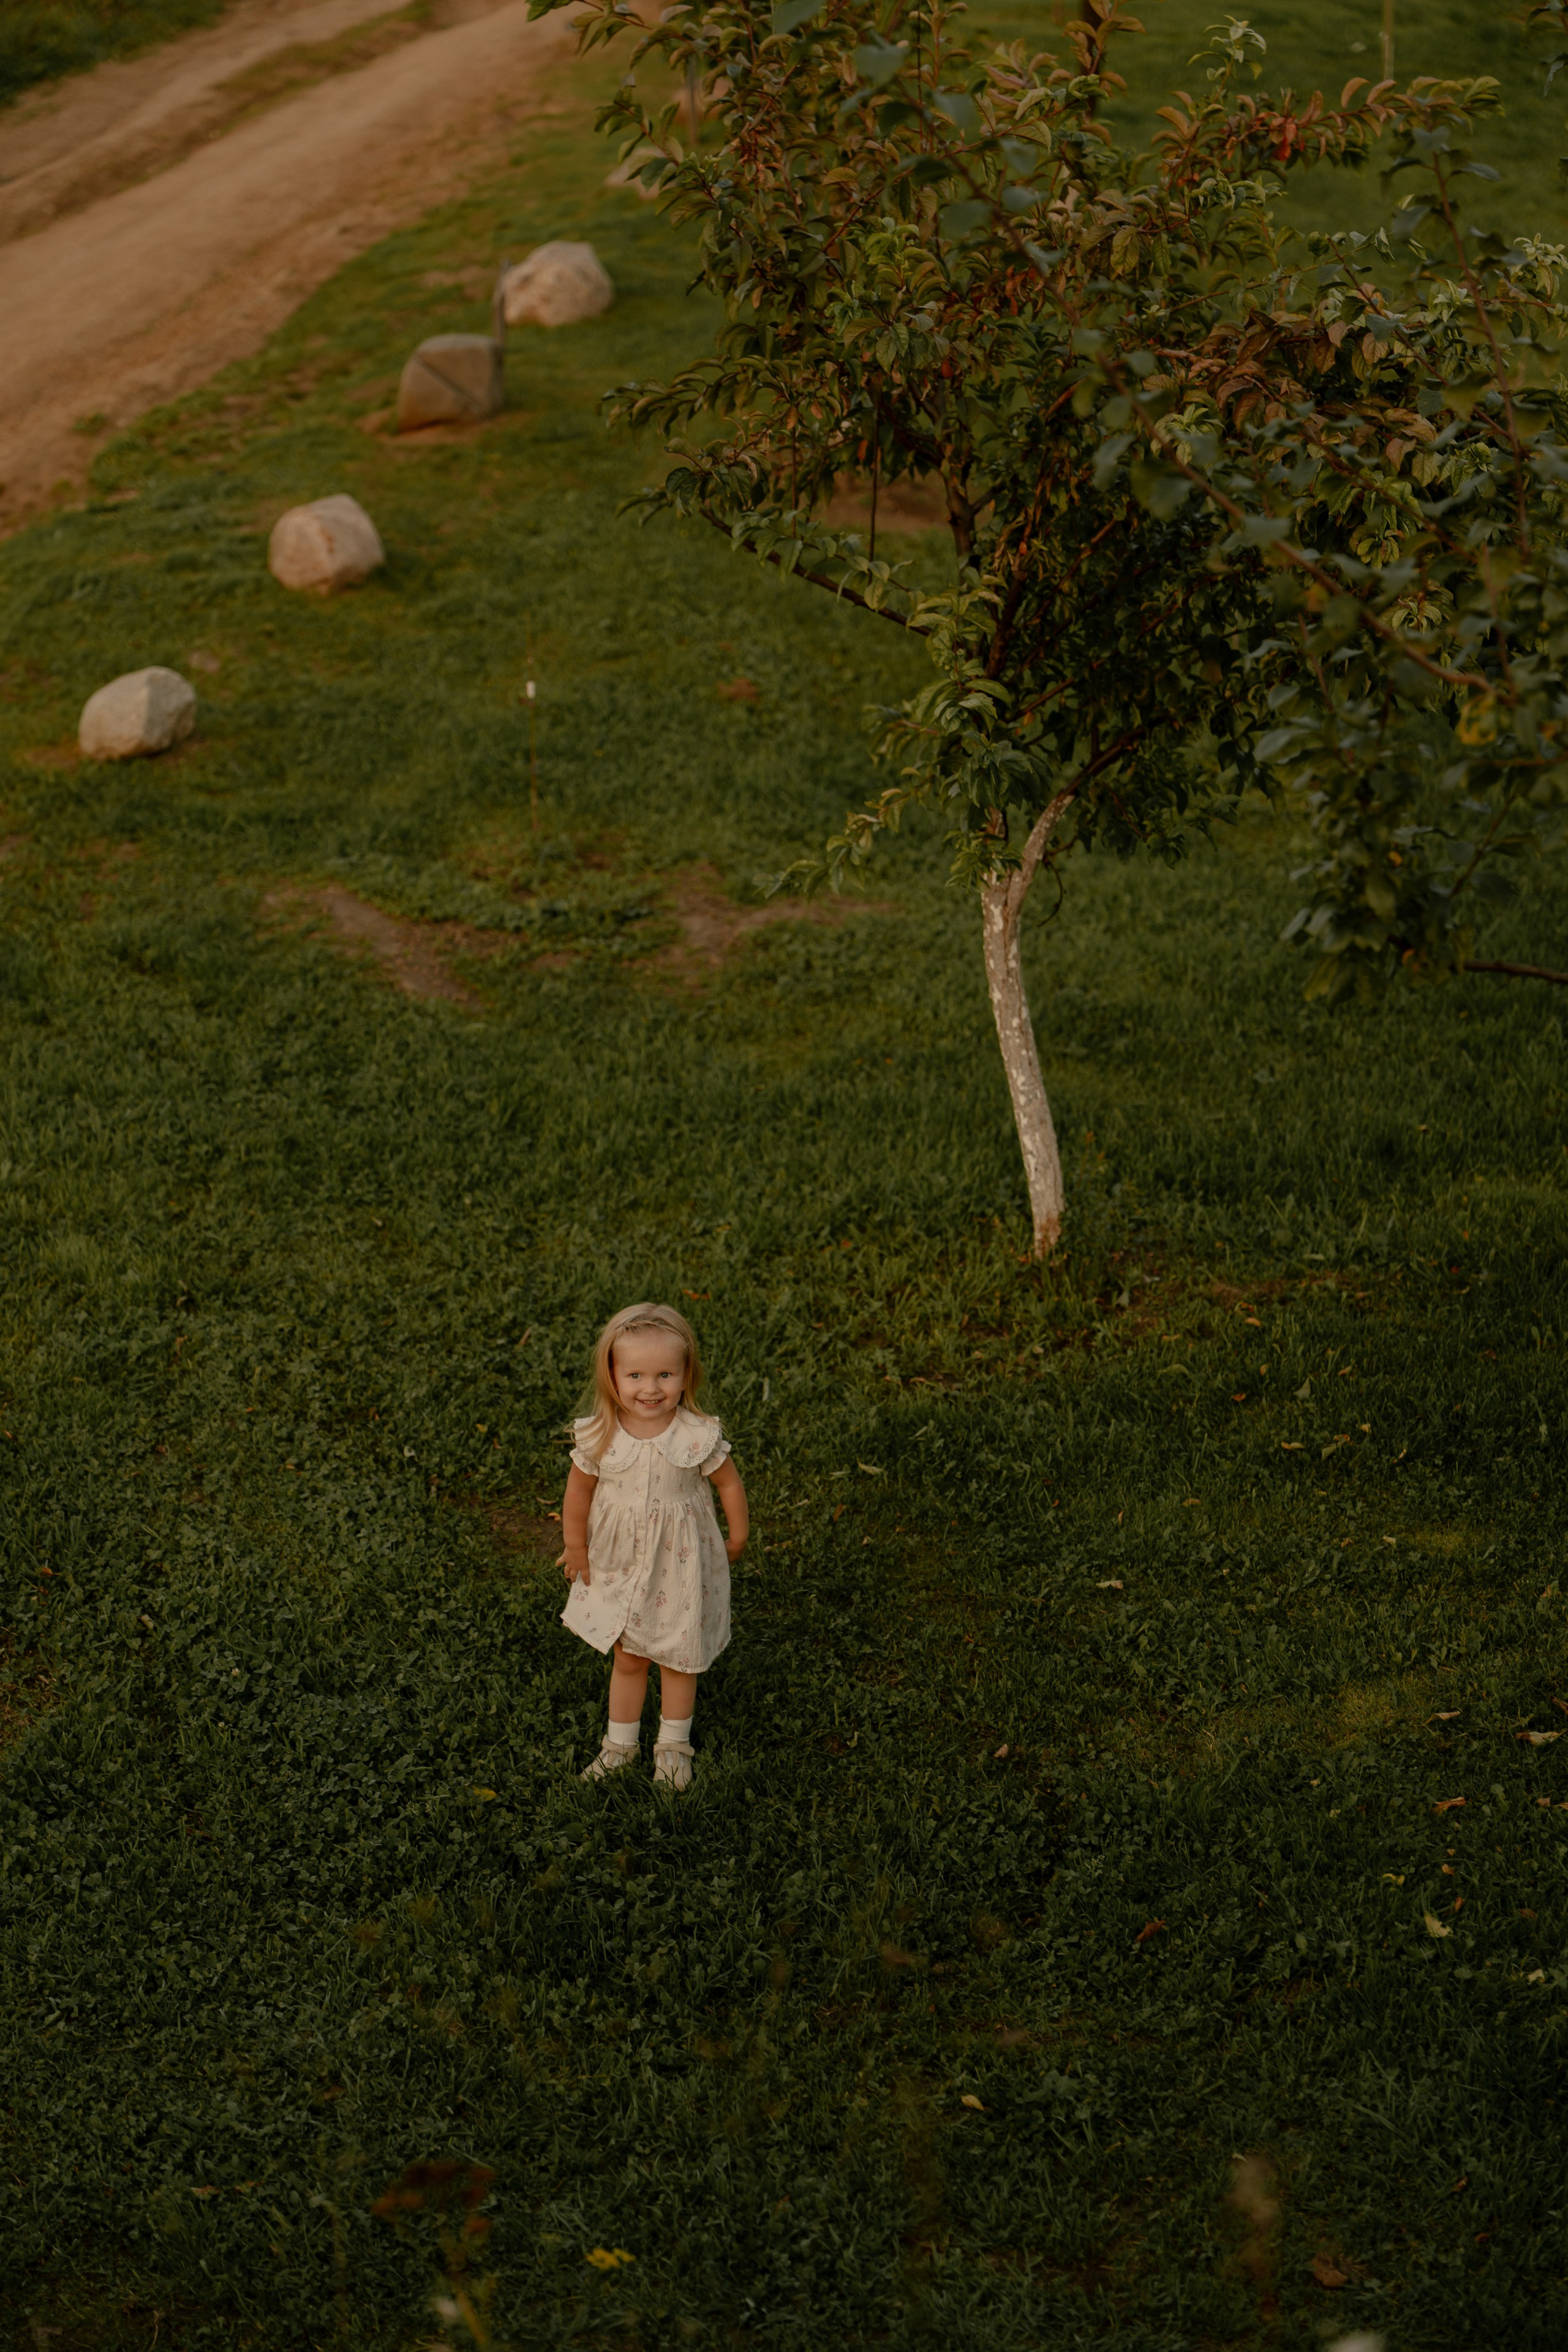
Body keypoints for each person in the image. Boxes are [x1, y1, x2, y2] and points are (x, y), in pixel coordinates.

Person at [559, 1301, 747, 1790]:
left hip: (679, 1563)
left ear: (686, 1376)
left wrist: (739, 1534)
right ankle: (620, 1744)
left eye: (665, 1374)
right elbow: (578, 1493)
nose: (651, 1388)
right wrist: (575, 1547)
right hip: (621, 1563)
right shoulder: (600, 1436)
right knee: (629, 1655)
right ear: (613, 1377)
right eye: (636, 1375)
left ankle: (673, 1745)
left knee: (678, 1656)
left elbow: (729, 1484)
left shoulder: (695, 1436)